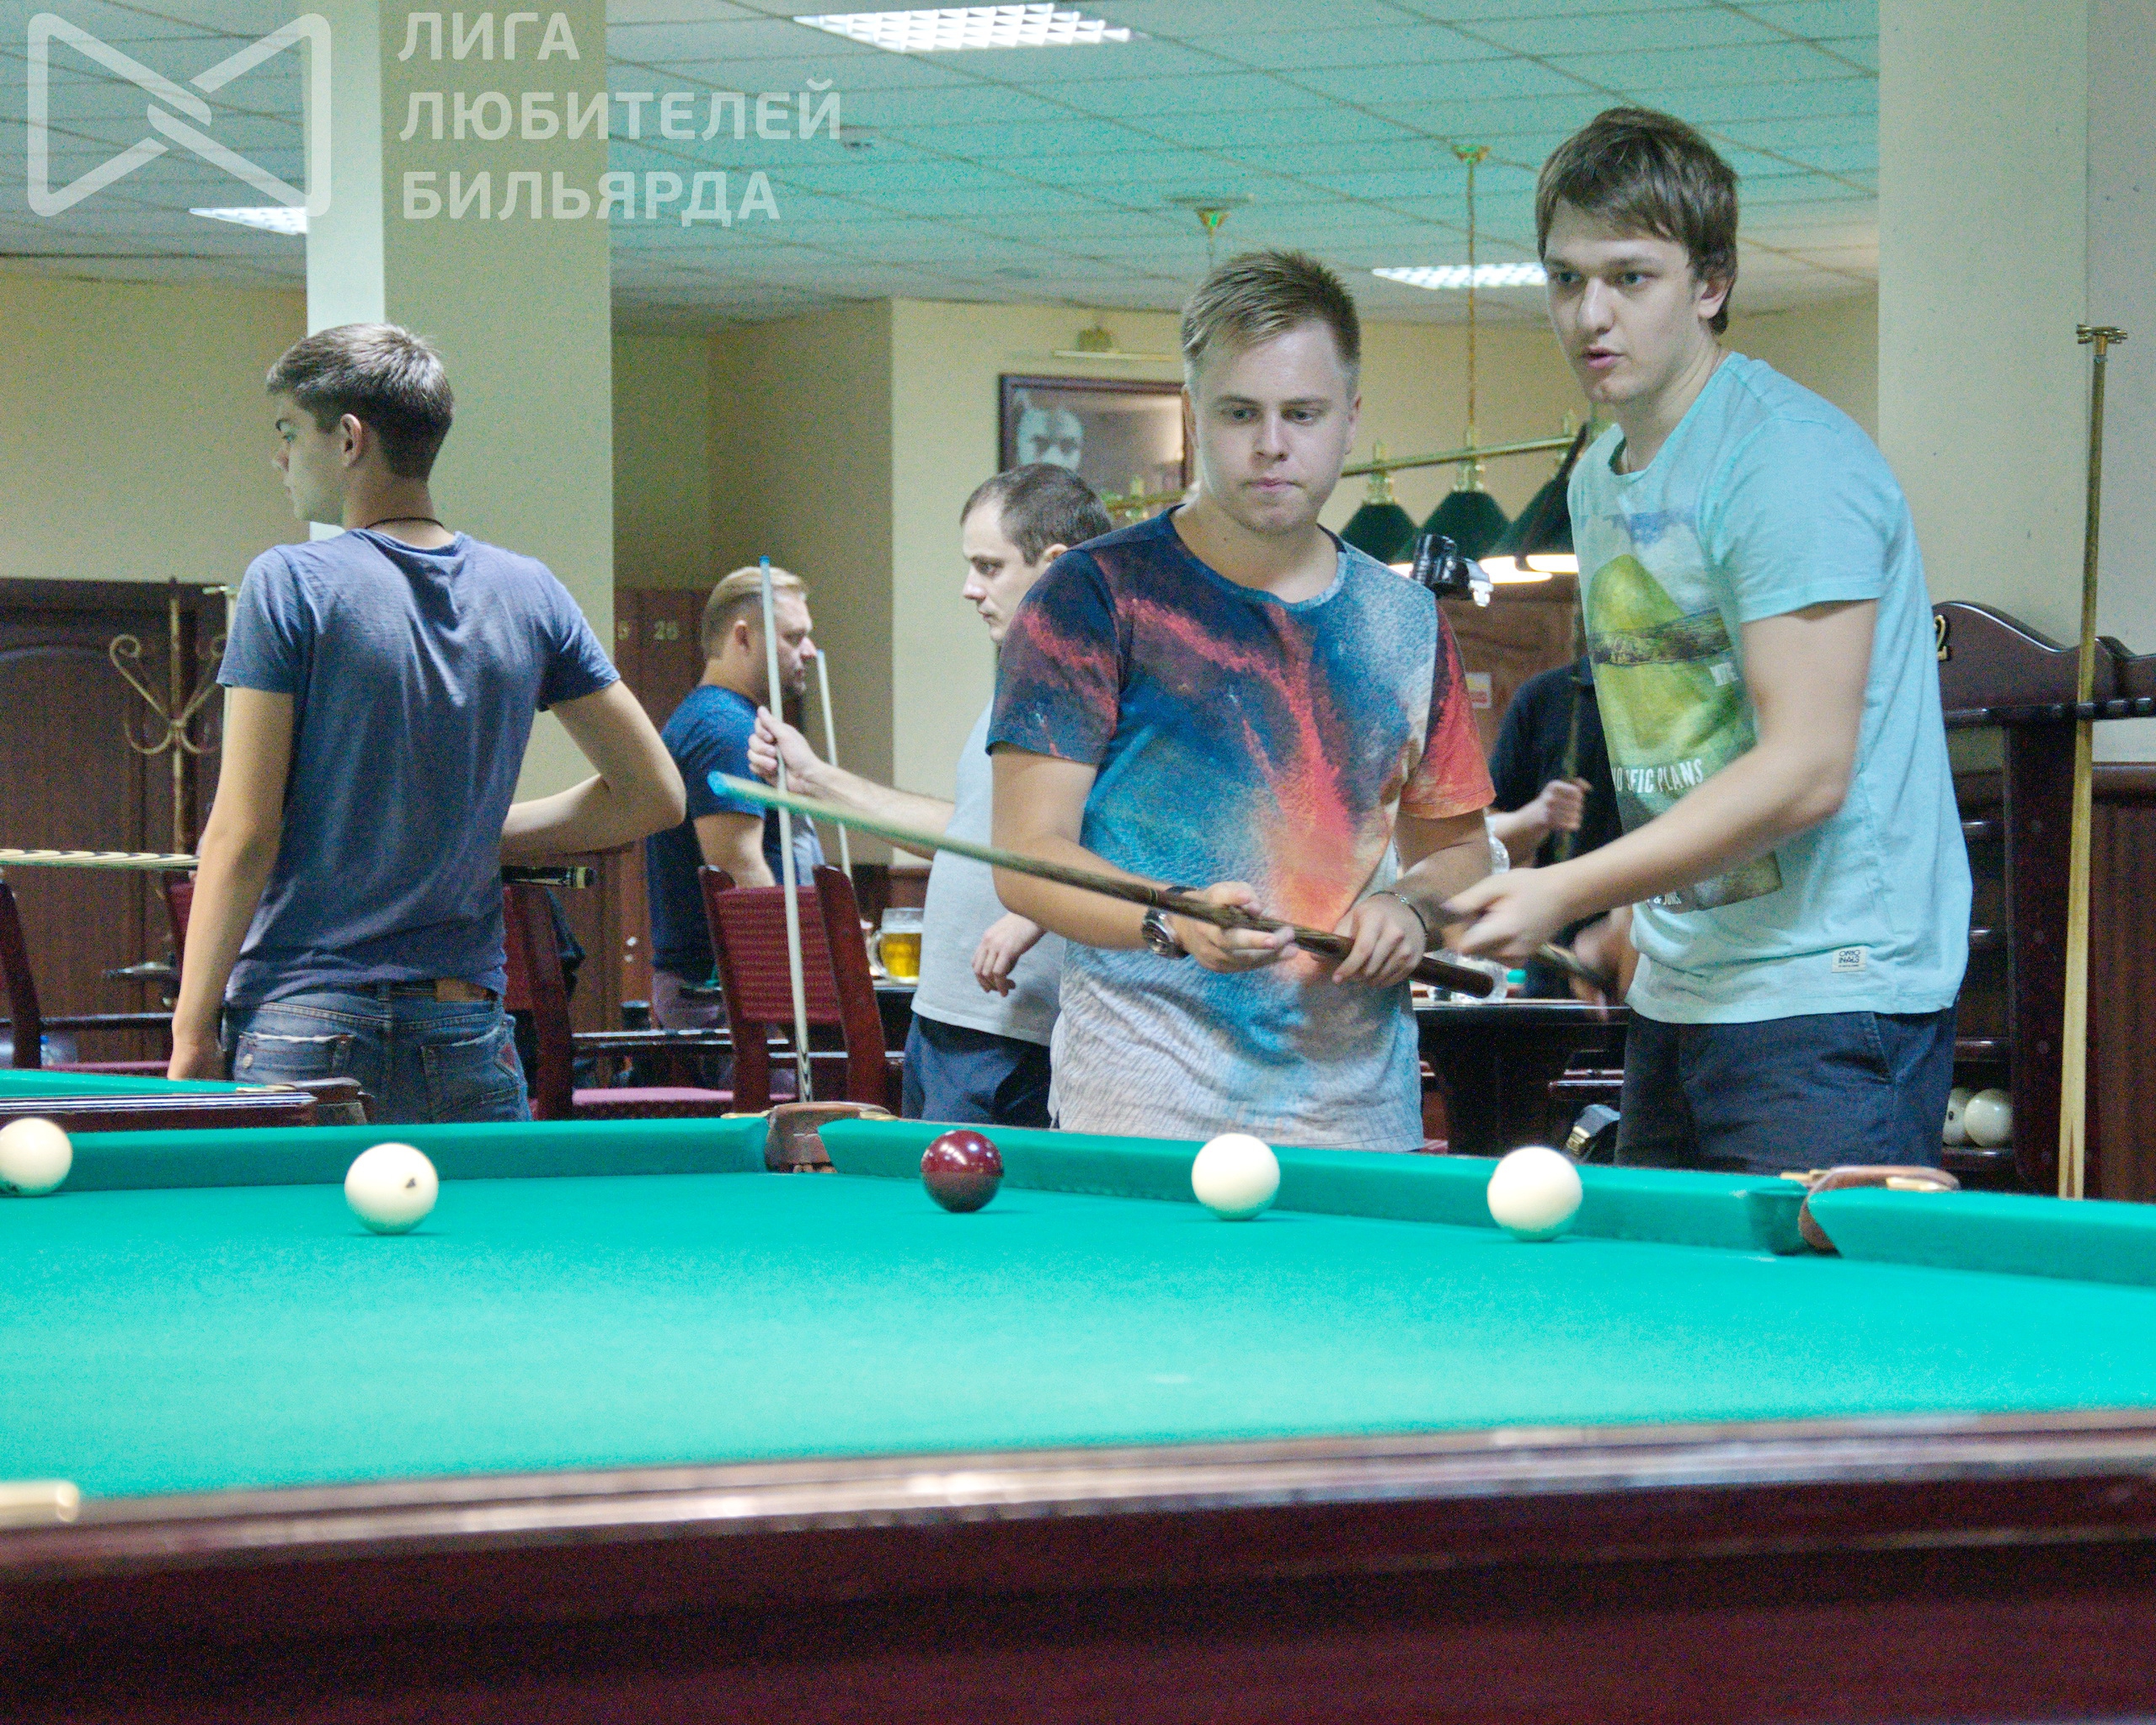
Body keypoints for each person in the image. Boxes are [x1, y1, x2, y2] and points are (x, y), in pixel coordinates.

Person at [1446, 108, 1971, 1173]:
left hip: (1831, 996)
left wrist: (1569, 887)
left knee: (1810, 1293)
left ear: (1711, 284)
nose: (1590, 313)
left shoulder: (1786, 463)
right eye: (1564, 278)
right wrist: (1640, 915)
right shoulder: (1599, 478)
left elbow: (1805, 769)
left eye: (1629, 277)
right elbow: (1684, 741)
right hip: (1683, 989)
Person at [988, 251, 1495, 1152]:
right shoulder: (1091, 596)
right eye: (1238, 413)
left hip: (1355, 1111)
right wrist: (1169, 915)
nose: (1271, 444)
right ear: (1193, 416)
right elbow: (1027, 857)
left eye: (1302, 413)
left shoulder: (1408, 621)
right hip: (1144, 1105)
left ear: (1350, 418)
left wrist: (1413, 908)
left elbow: (1459, 849)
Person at [170, 323, 686, 1121]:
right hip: (463, 1030)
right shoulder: (530, 591)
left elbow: (243, 832)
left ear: (349, 439)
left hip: (305, 1022)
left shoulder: (287, 582)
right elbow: (654, 796)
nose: (279, 458)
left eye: (289, 433)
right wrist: (464, 836)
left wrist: (190, 1032)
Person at [750, 465, 1113, 1128]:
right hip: (946, 1017)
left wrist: (1034, 913)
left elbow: (1134, 844)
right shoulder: (1023, 682)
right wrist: (813, 780)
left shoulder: (1107, 684)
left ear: (1057, 567)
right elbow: (967, 832)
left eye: (989, 566)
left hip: (1015, 1030)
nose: (969, 588)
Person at [643, 567, 824, 1031]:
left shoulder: (722, 718)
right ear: (743, 637)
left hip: (727, 989)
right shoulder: (723, 728)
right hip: (729, 996)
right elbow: (738, 869)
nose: (809, 651)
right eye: (794, 637)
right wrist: (796, 988)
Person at [1486, 656, 1621, 997]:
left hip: (1662, 960)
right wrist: (1536, 816)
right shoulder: (1545, 696)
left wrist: (1623, 925)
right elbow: (1481, 844)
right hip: (1560, 967)